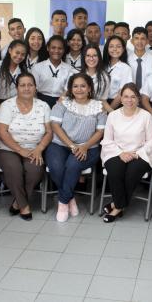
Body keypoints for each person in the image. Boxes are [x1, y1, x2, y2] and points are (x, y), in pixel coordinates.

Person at [45, 73, 106, 222]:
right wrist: (71, 145)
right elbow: (55, 126)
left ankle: (63, 203)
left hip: (89, 147)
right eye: (76, 86)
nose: (79, 89)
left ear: (89, 88)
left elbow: (100, 131)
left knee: (73, 165)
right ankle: (70, 198)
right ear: (71, 89)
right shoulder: (63, 103)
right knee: (57, 167)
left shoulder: (99, 106)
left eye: (83, 86)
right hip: (60, 144)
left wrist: (84, 146)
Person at [0, 72, 53, 220]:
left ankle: (16, 203)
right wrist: (20, 150)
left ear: (35, 88)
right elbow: (1, 132)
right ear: (17, 88)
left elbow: (49, 132)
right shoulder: (7, 105)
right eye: (23, 85)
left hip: (34, 148)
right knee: (15, 170)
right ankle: (24, 206)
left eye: (30, 85)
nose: (26, 88)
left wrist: (39, 148)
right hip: (7, 149)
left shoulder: (43, 106)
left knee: (35, 171)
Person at [100, 83, 152, 222]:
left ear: (138, 98)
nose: (129, 100)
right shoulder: (113, 116)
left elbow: (151, 142)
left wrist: (136, 153)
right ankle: (120, 205)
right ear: (120, 98)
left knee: (131, 173)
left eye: (133, 97)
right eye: (126, 96)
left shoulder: (146, 116)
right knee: (115, 171)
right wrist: (121, 153)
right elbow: (107, 140)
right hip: (115, 152)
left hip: (140, 153)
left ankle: (116, 206)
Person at [32, 35, 73, 108]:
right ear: (48, 48)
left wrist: (60, 104)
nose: (56, 51)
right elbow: (33, 89)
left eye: (60, 48)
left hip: (61, 102)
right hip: (40, 101)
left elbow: (68, 90)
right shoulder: (37, 67)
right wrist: (37, 104)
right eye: (53, 48)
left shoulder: (69, 69)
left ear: (64, 50)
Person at [102, 35, 133, 109]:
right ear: (107, 49)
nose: (115, 49)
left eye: (118, 46)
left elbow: (122, 93)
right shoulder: (101, 66)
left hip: (116, 105)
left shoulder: (126, 68)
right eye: (111, 46)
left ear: (123, 49)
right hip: (100, 103)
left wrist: (109, 110)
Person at [127, 27, 152, 91]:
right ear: (132, 41)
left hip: (150, 97)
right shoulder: (126, 60)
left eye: (142, 39)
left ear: (147, 41)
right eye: (136, 38)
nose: (139, 41)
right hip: (130, 98)